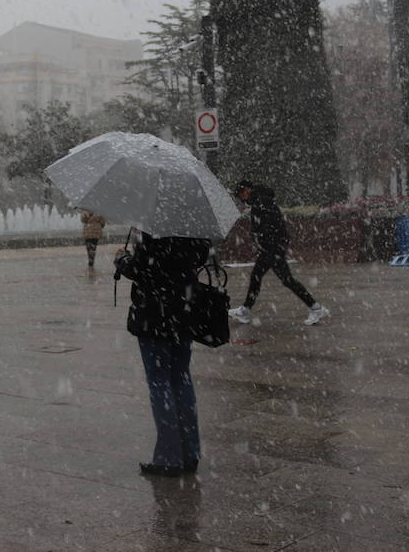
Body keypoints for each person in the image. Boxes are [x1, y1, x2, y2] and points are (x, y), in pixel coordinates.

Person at [113, 231, 209, 477]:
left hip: (155, 314)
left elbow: (141, 270)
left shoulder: (154, 231)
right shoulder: (193, 229)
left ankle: (169, 457)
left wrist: (122, 259)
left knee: (159, 381)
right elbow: (199, 258)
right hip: (185, 311)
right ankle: (190, 453)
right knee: (181, 378)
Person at [228, 180, 329, 325]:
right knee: (278, 279)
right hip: (272, 248)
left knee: (270, 278)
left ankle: (316, 307)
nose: (242, 197)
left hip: (272, 248)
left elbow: (269, 226)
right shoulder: (261, 200)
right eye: (239, 195)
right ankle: (315, 307)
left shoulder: (261, 202)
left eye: (242, 193)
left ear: (248, 190)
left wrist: (265, 244)